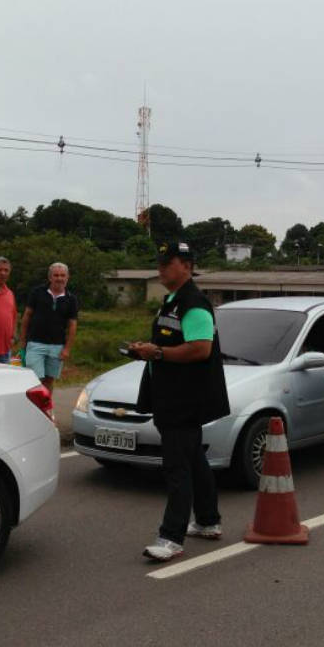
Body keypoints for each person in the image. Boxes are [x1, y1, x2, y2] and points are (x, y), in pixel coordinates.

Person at [128, 239, 230, 562]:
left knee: (177, 467)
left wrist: (156, 352)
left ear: (186, 266)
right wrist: (148, 348)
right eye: (159, 262)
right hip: (172, 395)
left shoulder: (194, 302)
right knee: (194, 461)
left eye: (167, 263)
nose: (160, 268)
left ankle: (170, 537)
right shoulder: (172, 300)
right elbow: (172, 343)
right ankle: (208, 521)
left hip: (184, 400)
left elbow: (200, 348)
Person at [17, 262, 79, 390]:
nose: (59, 278)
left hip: (57, 347)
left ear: (67, 277)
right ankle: (33, 409)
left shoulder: (71, 299)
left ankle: (46, 409)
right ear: (50, 277)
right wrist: (22, 341)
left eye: (63, 275)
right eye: (56, 275)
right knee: (34, 381)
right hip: (35, 344)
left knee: (49, 382)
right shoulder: (37, 292)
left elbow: (72, 326)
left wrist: (67, 349)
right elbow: (27, 316)